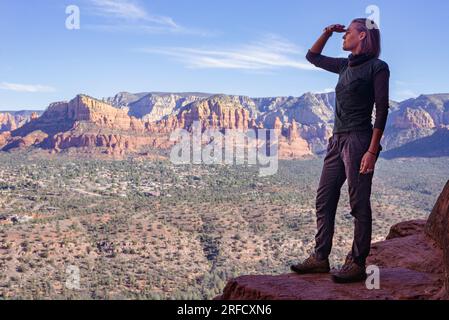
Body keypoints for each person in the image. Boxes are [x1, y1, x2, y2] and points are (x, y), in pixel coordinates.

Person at [290, 18, 390, 283]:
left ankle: (357, 262)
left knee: (358, 202)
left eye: (348, 33)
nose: (343, 37)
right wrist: (326, 33)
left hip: (359, 140)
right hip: (336, 141)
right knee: (324, 198)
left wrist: (371, 151)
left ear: (362, 36)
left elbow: (382, 109)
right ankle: (320, 258)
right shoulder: (345, 65)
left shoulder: (378, 68)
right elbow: (312, 56)